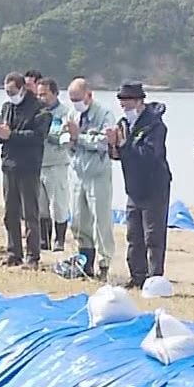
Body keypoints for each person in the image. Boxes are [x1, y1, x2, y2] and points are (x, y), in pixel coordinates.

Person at [105, 82, 170, 289]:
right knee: (134, 235)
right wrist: (113, 145)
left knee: (153, 236)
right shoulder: (123, 123)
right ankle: (137, 276)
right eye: (122, 103)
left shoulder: (155, 125)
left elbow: (150, 155)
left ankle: (154, 279)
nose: (125, 107)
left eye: (128, 102)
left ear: (140, 101)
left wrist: (124, 145)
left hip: (154, 186)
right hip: (133, 187)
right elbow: (118, 155)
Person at [0, 71, 51, 268]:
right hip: (9, 164)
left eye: (12, 91)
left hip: (29, 166)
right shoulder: (7, 107)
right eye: (7, 92)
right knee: (10, 213)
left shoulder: (40, 109)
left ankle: (33, 256)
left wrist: (12, 135)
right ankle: (13, 253)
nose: (10, 95)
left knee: (30, 213)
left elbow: (38, 136)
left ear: (22, 88)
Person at [64, 78, 116, 279]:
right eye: (72, 99)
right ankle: (85, 262)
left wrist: (80, 137)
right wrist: (69, 138)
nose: (75, 103)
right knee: (78, 220)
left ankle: (104, 265)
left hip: (98, 174)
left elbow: (104, 143)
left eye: (78, 98)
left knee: (101, 221)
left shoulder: (104, 114)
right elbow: (66, 139)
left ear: (89, 95)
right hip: (77, 173)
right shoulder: (72, 114)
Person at [34, 78, 73, 251]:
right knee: (41, 205)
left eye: (45, 94)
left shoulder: (65, 113)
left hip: (57, 163)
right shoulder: (37, 112)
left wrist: (45, 133)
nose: (41, 98)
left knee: (59, 204)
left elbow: (62, 137)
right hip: (38, 163)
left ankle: (60, 239)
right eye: (39, 94)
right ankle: (44, 239)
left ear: (55, 93)